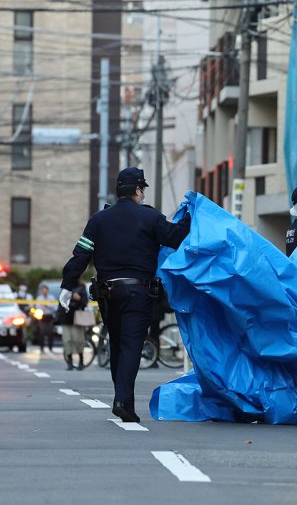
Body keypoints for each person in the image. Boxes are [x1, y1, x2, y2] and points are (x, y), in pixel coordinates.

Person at [59, 167, 191, 423]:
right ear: (139, 190)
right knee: (131, 345)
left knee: (117, 344)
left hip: (107, 293)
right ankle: (122, 401)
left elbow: (81, 253)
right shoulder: (150, 218)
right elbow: (176, 238)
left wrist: (67, 284)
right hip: (138, 292)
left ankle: (124, 401)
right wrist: (190, 216)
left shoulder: (98, 219)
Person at [59, 281, 89, 371]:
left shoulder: (81, 287)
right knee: (67, 340)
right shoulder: (64, 287)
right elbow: (60, 302)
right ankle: (70, 362)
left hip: (77, 318)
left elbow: (85, 302)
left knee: (78, 340)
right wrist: (58, 316)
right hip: (65, 318)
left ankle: (81, 361)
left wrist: (79, 299)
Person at [36, 284, 56, 354]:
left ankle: (50, 347)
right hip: (42, 316)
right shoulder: (39, 298)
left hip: (49, 316)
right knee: (42, 333)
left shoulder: (51, 298)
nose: (44, 292)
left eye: (46, 290)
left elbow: (54, 307)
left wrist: (48, 305)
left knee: (50, 332)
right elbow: (38, 307)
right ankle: (42, 348)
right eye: (43, 290)